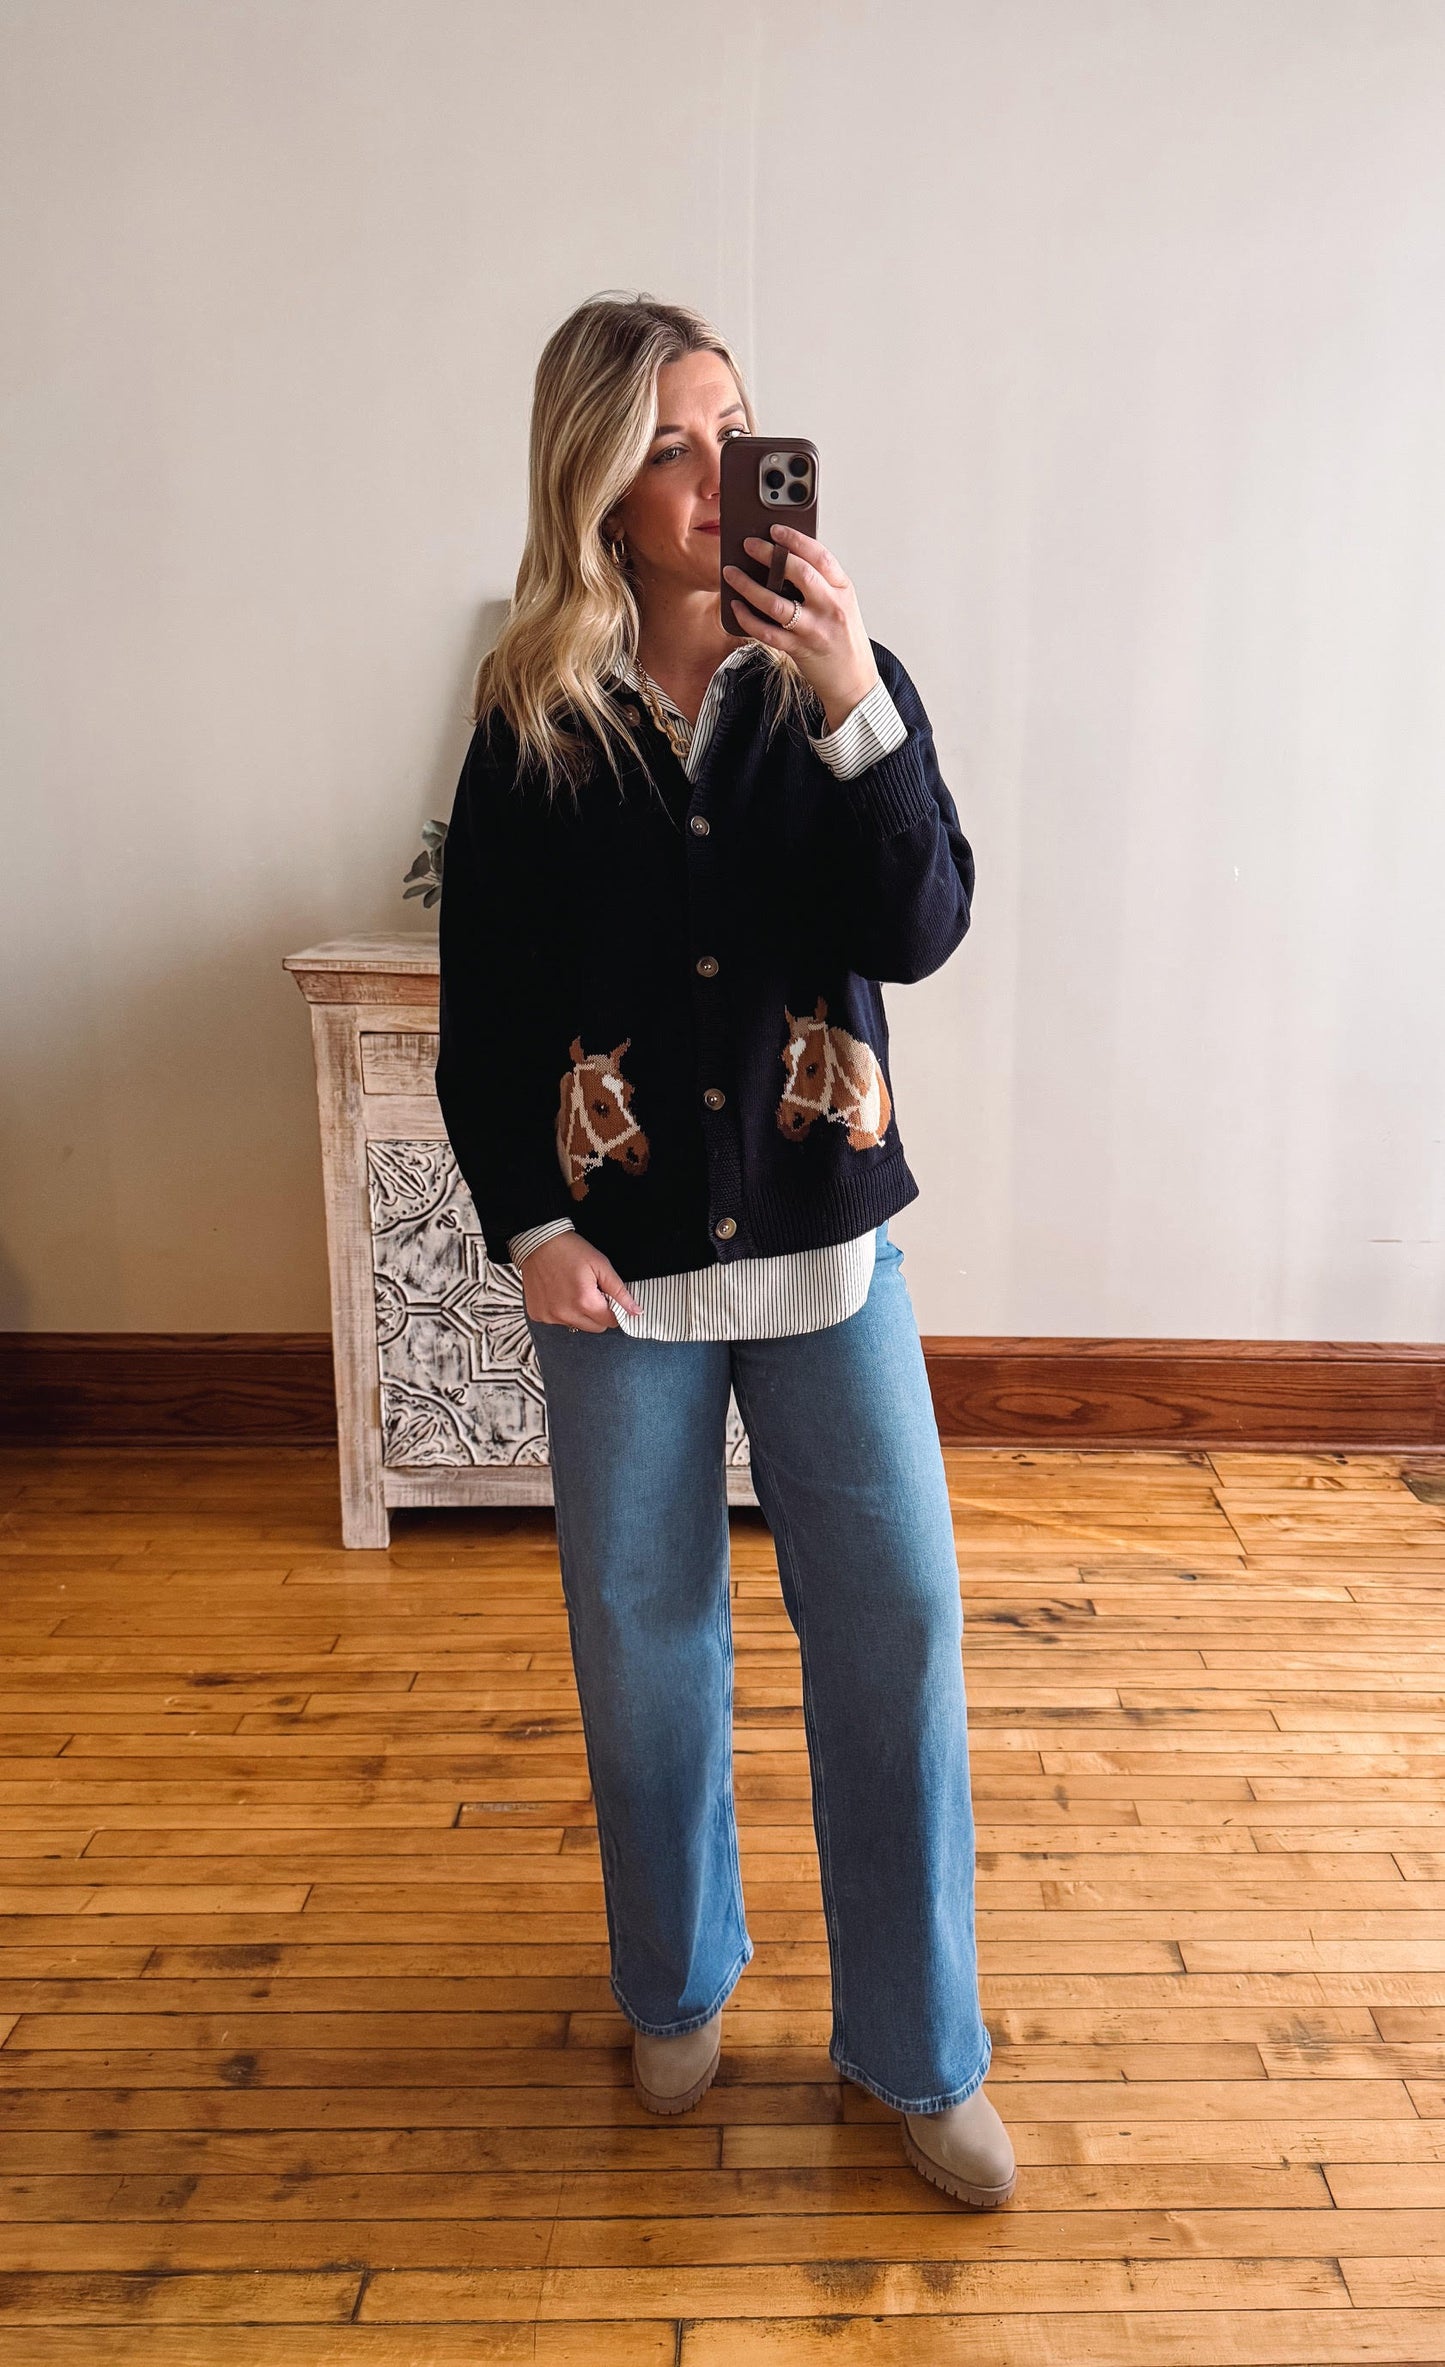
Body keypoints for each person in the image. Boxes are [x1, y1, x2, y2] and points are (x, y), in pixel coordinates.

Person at [434, 291, 1015, 2209]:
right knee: (643, 1644)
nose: (712, 479)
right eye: (670, 449)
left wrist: (852, 699)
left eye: (736, 434)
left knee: (896, 1629)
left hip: (829, 1250)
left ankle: (918, 2047)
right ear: (599, 487)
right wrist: (528, 1224)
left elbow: (920, 927)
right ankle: (675, 1980)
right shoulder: (533, 718)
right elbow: (484, 1011)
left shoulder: (840, 683)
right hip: (616, 1271)